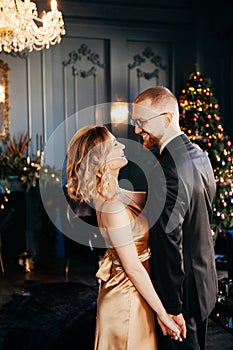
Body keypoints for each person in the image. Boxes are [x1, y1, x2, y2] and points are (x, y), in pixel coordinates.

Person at [66, 125, 183, 350]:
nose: (122, 145)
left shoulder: (116, 192)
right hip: (126, 297)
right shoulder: (111, 207)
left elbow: (157, 197)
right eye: (113, 144)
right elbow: (133, 268)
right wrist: (164, 315)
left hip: (137, 291)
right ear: (99, 160)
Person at [131, 86, 218, 350]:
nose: (136, 130)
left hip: (182, 295)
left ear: (167, 119)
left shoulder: (165, 168)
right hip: (204, 283)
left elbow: (169, 241)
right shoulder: (200, 155)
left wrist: (170, 307)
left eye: (142, 122)